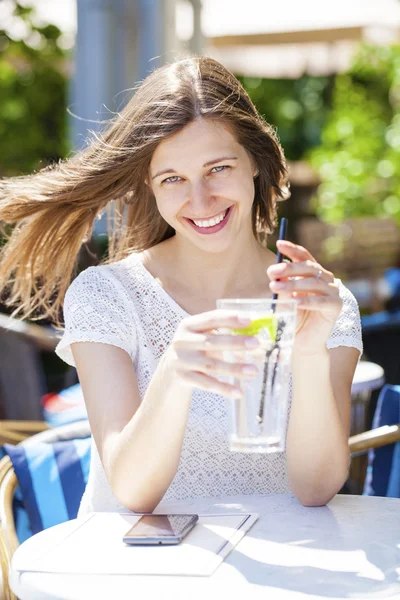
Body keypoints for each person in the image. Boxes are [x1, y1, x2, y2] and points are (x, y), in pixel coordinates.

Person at [0, 56, 362, 515]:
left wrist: (310, 352)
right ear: (150, 187)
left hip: (280, 579)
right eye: (173, 178)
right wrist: (173, 373)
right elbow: (132, 490)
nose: (200, 200)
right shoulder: (106, 296)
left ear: (254, 162)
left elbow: (317, 488)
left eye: (218, 169)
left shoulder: (325, 305)